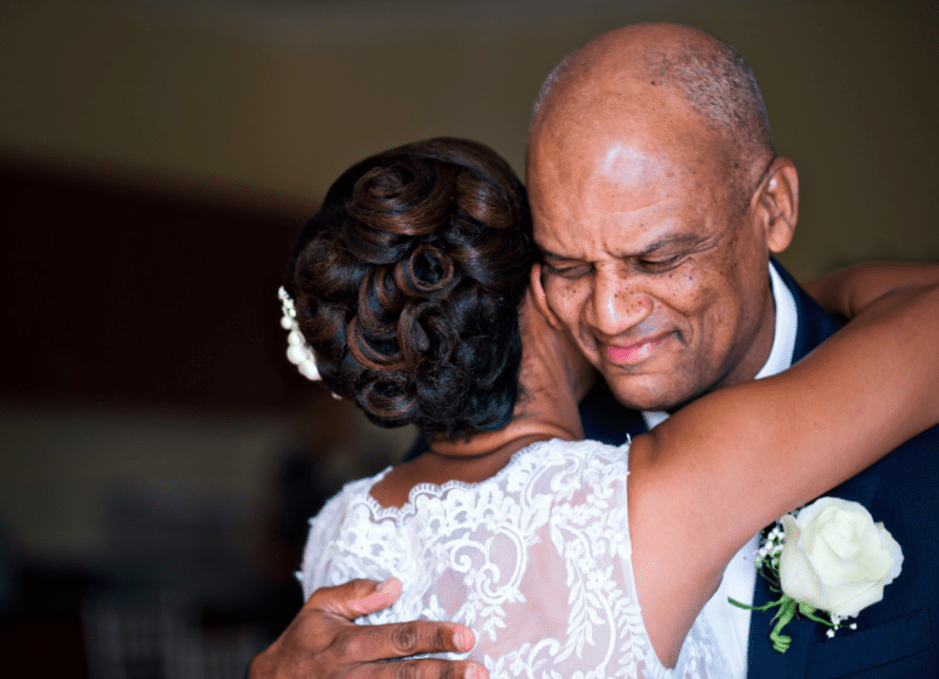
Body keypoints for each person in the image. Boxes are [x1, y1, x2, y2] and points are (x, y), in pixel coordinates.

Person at [248, 24, 939, 679]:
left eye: (659, 257)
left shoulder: (354, 523)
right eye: (570, 267)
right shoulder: (646, 493)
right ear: (533, 288)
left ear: (774, 208)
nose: (610, 314)